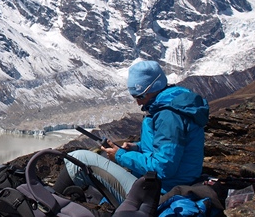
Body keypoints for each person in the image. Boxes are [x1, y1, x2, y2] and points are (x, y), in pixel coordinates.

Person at [53, 60, 210, 204]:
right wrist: (136, 147)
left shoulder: (169, 116)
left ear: (154, 88)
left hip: (158, 193)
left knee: (79, 159)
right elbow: (168, 148)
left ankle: (47, 206)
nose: (138, 102)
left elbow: (164, 167)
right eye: (134, 96)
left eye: (140, 95)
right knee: (100, 158)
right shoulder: (170, 106)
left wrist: (121, 156)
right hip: (160, 184)